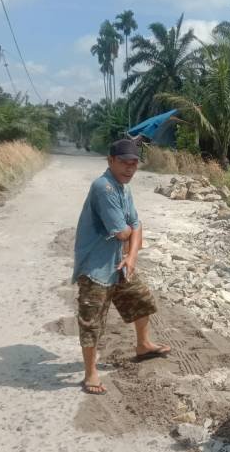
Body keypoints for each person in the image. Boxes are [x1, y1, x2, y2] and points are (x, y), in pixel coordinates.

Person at [72, 139, 171, 395]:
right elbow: (124, 232)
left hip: (120, 263)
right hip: (95, 268)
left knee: (142, 299)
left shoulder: (124, 188)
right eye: (124, 163)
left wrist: (132, 257)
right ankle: (90, 373)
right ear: (110, 161)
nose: (130, 168)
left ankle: (143, 344)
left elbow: (137, 224)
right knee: (92, 321)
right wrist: (133, 236)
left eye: (134, 163)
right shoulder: (104, 187)